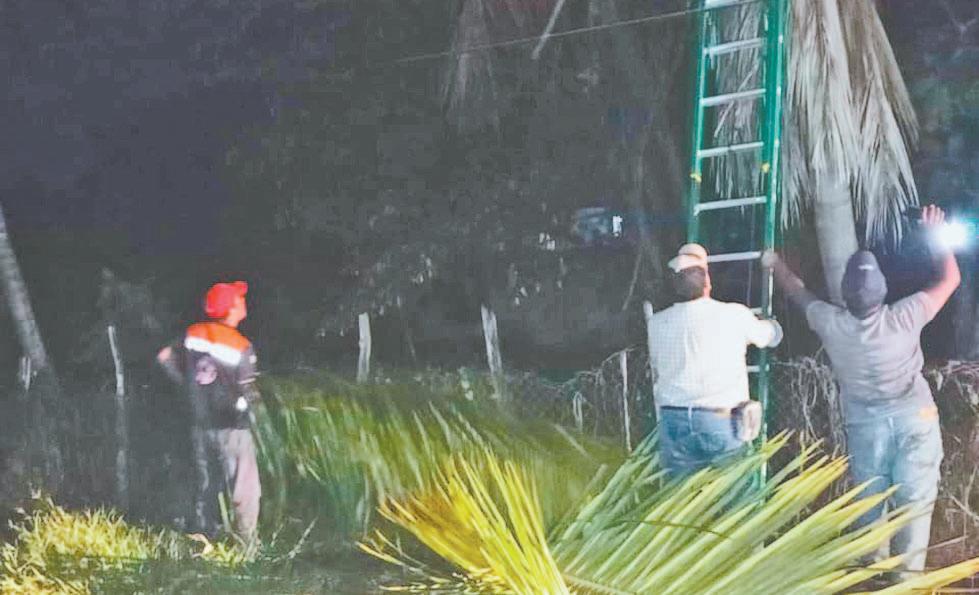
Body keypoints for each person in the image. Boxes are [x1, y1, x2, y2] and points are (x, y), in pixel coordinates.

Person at [766, 204, 960, 576]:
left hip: (866, 426)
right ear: (883, 290)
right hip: (914, 419)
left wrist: (776, 264)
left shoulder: (830, 323)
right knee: (914, 504)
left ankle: (871, 573)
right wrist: (936, 234)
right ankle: (905, 578)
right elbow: (950, 279)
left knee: (869, 502)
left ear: (845, 293)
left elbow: (798, 292)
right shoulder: (905, 315)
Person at [648, 243, 783, 477]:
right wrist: (770, 322)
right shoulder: (733, 315)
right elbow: (770, 337)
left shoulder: (656, 323)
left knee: (679, 497)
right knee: (733, 493)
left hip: (674, 420)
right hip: (721, 420)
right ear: (707, 281)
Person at [157, 281, 262, 546]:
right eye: (239, 299)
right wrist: (259, 414)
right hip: (232, 426)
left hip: (199, 423)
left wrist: (186, 385)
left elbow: (164, 356)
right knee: (244, 487)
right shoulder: (240, 345)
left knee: (207, 483)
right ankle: (246, 545)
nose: (244, 301)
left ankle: (202, 538)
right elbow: (249, 391)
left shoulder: (194, 333)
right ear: (231, 309)